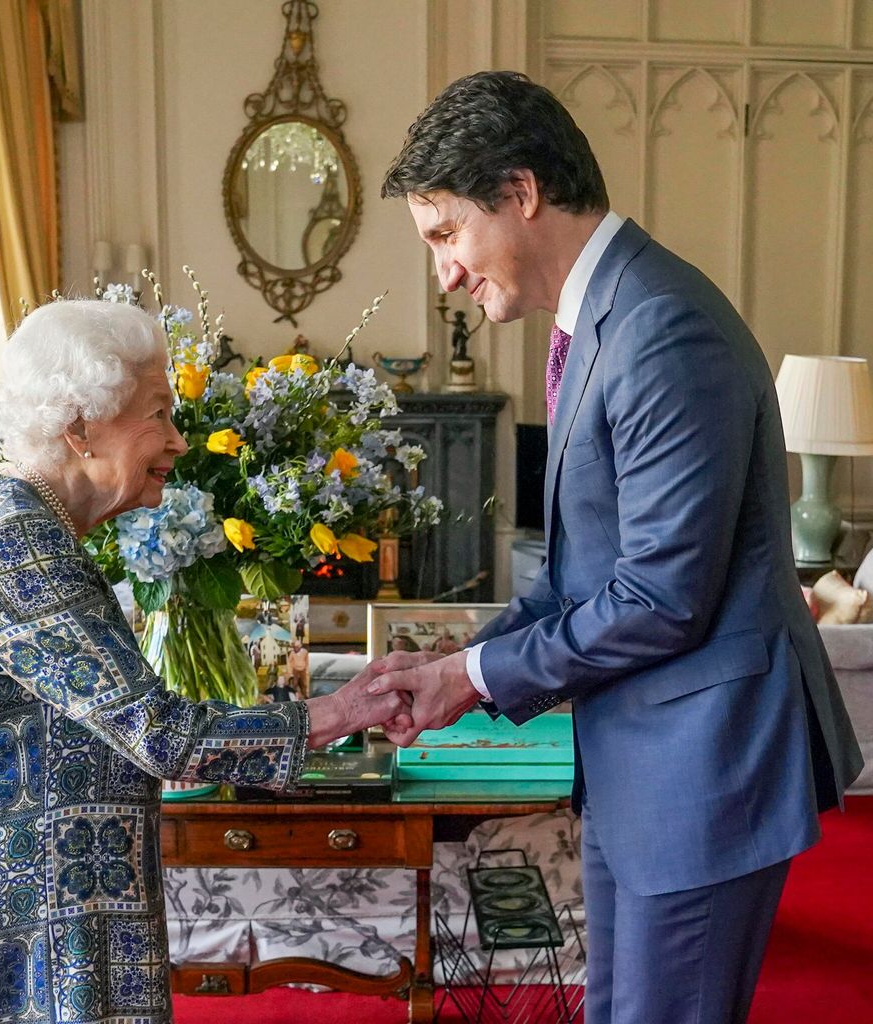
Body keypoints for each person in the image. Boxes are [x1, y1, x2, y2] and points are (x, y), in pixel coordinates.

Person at [367, 71, 863, 1024]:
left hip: (702, 771)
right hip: (645, 762)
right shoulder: (603, 319)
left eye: (445, 235)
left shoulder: (661, 327)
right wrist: (456, 656)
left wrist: (473, 678)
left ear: (520, 193)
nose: (446, 275)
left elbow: (659, 599)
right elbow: (578, 573)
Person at [0, 300, 408, 1024]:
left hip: (15, 917)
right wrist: (339, 712)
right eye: (158, 414)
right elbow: (161, 733)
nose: (177, 440)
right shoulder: (17, 543)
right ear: (80, 428)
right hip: (56, 940)